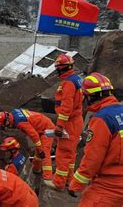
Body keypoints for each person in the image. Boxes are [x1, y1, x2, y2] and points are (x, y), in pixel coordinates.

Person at [68, 73, 123, 206]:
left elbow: (93, 158)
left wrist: (75, 184)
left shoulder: (102, 119)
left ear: (90, 96)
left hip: (110, 185)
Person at [44, 54, 84, 190]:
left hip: (69, 122)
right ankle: (69, 180)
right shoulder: (76, 80)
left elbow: (66, 107)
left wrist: (60, 126)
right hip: (76, 120)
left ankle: (58, 182)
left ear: (61, 69)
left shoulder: (68, 83)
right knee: (71, 153)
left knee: (63, 152)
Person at [0, 109, 54, 180]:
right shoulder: (13, 113)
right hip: (42, 124)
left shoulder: (21, 122)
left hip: (47, 129)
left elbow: (34, 135)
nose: (7, 126)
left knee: (44, 152)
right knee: (38, 151)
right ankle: (36, 169)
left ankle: (48, 177)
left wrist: (40, 149)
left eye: (6, 125)